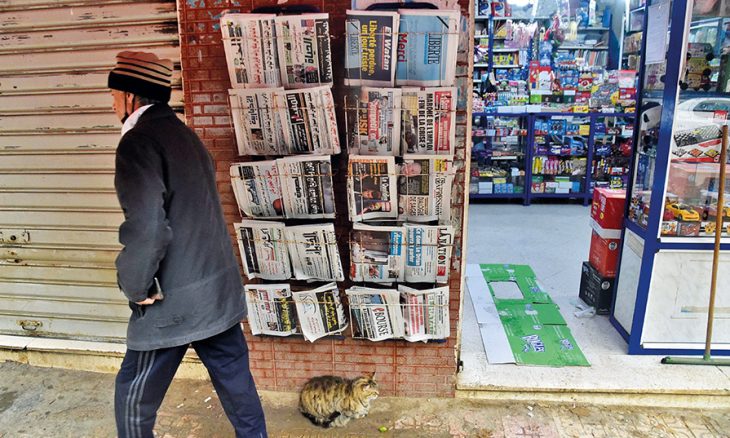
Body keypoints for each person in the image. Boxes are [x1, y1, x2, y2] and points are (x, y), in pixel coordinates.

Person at [109, 51, 267, 438]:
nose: (111, 104)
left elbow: (148, 228)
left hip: (174, 299)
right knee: (238, 388)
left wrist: (136, 287)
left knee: (133, 397)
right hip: (217, 292)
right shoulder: (186, 136)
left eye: (113, 95)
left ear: (129, 96)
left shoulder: (138, 143)